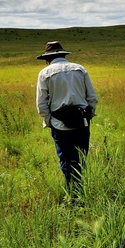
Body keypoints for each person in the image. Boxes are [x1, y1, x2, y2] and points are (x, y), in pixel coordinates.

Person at [36, 41, 99, 192]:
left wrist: (49, 120)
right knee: (81, 158)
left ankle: (72, 194)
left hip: (59, 123)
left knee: (66, 159)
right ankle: (80, 190)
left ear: (47, 58)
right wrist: (88, 115)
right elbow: (92, 98)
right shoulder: (80, 69)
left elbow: (41, 105)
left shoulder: (44, 73)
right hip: (82, 121)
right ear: (63, 55)